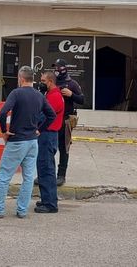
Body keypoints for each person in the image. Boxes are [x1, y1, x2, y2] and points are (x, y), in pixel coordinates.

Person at [0, 66, 56, 219]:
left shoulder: (16, 93)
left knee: (4, 175)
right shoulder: (39, 95)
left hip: (17, 140)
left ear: (21, 79)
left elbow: (3, 112)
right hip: (32, 141)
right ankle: (22, 210)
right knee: (28, 178)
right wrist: (39, 129)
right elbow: (51, 115)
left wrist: (4, 131)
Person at [35, 70, 64, 214]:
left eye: (44, 81)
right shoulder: (50, 95)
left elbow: (44, 115)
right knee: (44, 168)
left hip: (48, 135)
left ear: (51, 82)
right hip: (47, 135)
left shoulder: (55, 97)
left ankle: (50, 203)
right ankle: (46, 199)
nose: (41, 83)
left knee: (46, 169)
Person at [54, 58, 84, 186]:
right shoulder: (52, 82)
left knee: (64, 149)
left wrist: (71, 94)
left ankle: (61, 175)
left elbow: (82, 100)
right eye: (55, 67)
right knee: (48, 148)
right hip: (52, 120)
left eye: (58, 67)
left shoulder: (72, 83)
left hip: (65, 121)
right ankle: (45, 174)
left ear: (64, 68)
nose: (56, 70)